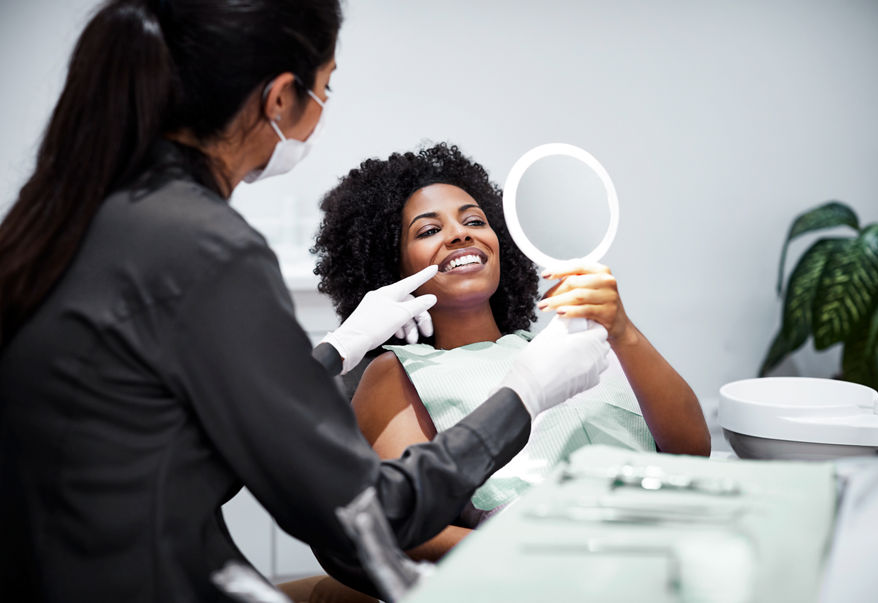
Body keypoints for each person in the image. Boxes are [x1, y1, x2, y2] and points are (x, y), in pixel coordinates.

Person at [0, 2, 613, 601]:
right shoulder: (207, 250)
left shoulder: (78, 214)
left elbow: (207, 423)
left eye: (472, 220)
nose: (457, 236)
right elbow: (362, 511)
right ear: (279, 98)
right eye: (326, 89)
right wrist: (526, 394)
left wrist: (334, 351)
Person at [312, 142, 711, 560]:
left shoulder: (567, 348)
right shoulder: (398, 372)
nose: (460, 234)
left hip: (670, 542)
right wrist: (523, 548)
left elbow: (691, 450)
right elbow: (396, 527)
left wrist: (623, 331)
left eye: (475, 221)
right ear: (392, 267)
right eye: (430, 230)